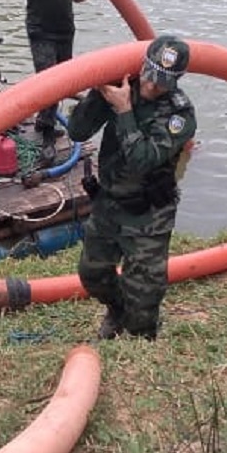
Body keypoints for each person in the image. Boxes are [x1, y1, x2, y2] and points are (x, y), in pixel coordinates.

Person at [66, 35, 197, 341]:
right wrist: (99, 95)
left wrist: (124, 111)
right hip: (109, 201)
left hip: (149, 211)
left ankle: (143, 338)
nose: (152, 86)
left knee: (144, 296)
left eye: (163, 82)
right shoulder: (125, 88)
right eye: (150, 76)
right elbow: (77, 131)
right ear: (143, 65)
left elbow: (143, 160)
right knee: (92, 275)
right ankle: (116, 310)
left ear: (177, 80)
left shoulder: (179, 115)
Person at [19, 0, 103, 140]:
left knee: (63, 82)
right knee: (49, 81)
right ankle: (44, 130)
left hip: (65, 29)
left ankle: (46, 121)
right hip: (41, 30)